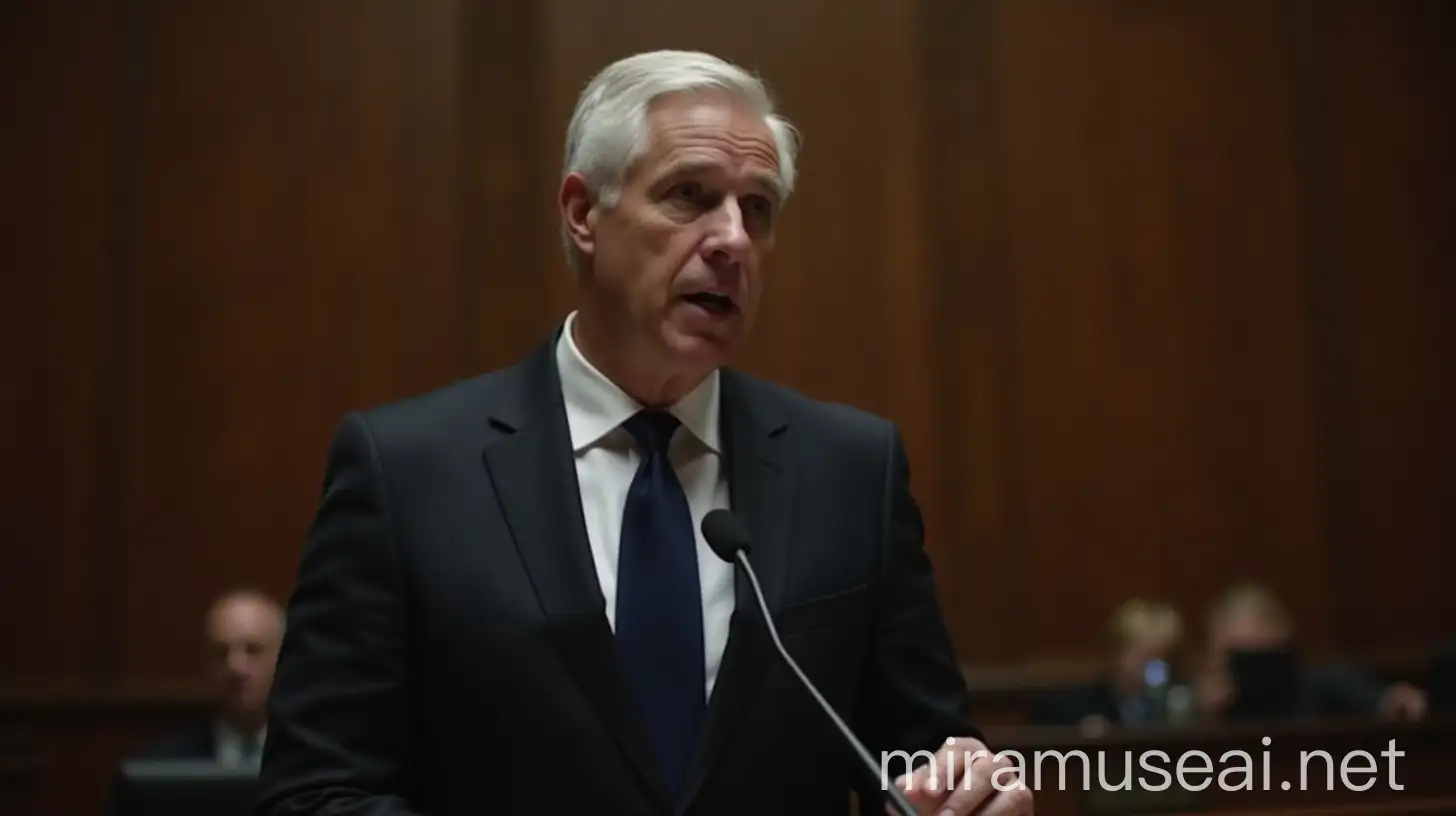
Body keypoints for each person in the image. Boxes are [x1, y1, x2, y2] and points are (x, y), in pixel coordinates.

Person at [256, 50, 1030, 815]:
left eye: (757, 208)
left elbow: (916, 752)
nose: (732, 239)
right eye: (690, 196)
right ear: (583, 213)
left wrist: (965, 792)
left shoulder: (851, 470)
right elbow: (317, 792)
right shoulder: (408, 471)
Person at [1194, 583, 1426, 721]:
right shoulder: (1203, 701)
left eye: (1253, 653)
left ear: (1282, 641)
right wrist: (1203, 716)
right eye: (1232, 655)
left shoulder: (1327, 683)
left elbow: (1385, 704)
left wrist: (1397, 702)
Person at [134, 589, 283, 769]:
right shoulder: (160, 766)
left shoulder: (313, 761)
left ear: (283, 659)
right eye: (220, 653)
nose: (235, 667)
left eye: (253, 649)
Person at [1032, 599, 1190, 733]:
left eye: (1163, 659)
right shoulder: (1085, 705)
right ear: (1118, 653)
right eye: (1145, 657)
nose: (1155, 669)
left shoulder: (1180, 701)